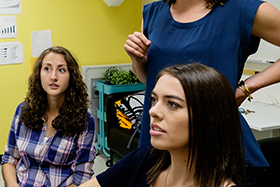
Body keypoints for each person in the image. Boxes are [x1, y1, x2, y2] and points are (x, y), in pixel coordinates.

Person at [124, 0, 280, 182]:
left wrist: (246, 89)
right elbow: (150, 81)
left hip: (217, 144)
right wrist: (137, 59)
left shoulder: (240, 11)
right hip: (161, 143)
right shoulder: (152, 14)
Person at [80, 63, 245, 187]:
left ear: (208, 118)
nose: (152, 111)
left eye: (172, 104)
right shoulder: (144, 160)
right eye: (154, 100)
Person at [1, 46, 96, 186]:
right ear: (39, 74)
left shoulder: (85, 122)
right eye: (47, 68)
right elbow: (9, 159)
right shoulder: (23, 110)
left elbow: (81, 177)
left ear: (72, 76)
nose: (53, 77)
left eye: (61, 70)